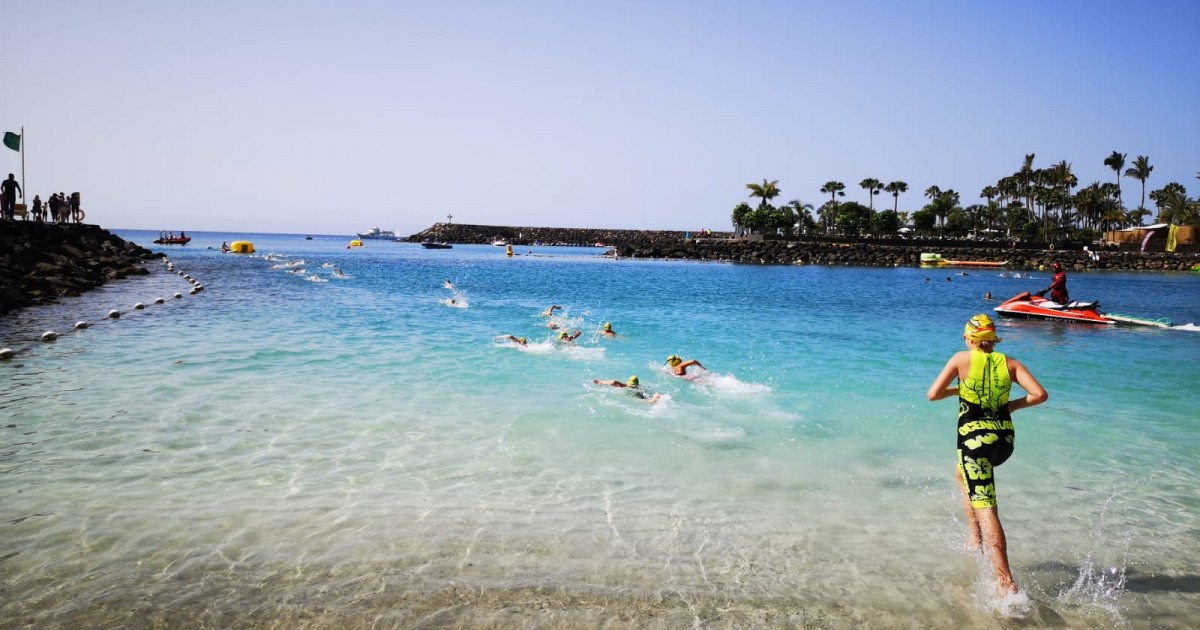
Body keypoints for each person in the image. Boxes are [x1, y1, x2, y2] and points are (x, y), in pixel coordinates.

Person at [926, 314, 1048, 596]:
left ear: (970, 338)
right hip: (1004, 441)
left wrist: (961, 389)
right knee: (961, 473)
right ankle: (975, 539)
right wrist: (1011, 407)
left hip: (975, 443)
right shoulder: (1011, 363)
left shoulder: (960, 359)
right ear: (992, 340)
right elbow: (1039, 395)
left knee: (987, 508)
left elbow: (933, 394)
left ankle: (1005, 580)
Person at [593, 375, 660, 403]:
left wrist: (601, 382)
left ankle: (654, 399)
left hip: (635, 392)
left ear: (628, 382)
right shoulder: (639, 387)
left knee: (646, 402)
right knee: (646, 398)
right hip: (640, 391)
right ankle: (655, 397)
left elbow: (614, 382)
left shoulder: (626, 385)